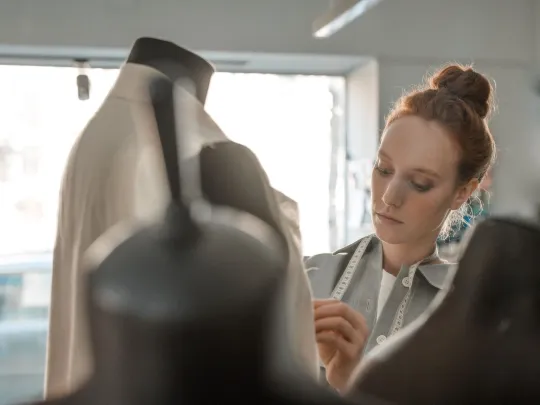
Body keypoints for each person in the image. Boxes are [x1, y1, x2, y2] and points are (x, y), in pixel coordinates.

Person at [306, 64, 496, 392]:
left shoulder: (470, 317)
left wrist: (349, 385)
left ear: (463, 192)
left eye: (420, 183)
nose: (389, 197)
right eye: (383, 169)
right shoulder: (307, 279)